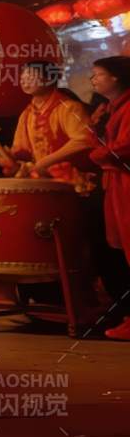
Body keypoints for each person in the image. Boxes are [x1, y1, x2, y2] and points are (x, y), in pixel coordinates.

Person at [88, 56, 130, 340]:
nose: (94, 80)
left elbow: (124, 147)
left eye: (98, 75)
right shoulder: (111, 108)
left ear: (115, 77)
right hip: (115, 184)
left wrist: (99, 154)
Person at [4, 61, 96, 187]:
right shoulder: (26, 114)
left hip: (71, 180)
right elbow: (22, 149)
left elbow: (84, 140)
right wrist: (10, 157)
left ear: (48, 79)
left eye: (30, 77)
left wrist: (46, 161)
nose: (24, 82)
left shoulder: (69, 107)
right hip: (41, 179)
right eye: (22, 78)